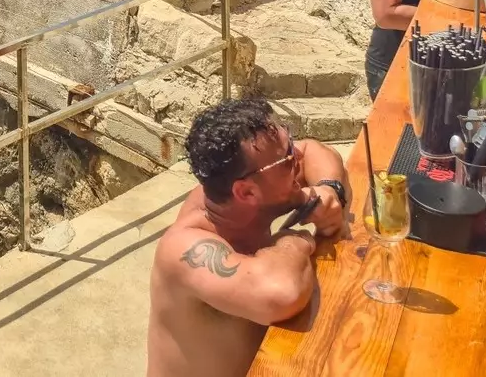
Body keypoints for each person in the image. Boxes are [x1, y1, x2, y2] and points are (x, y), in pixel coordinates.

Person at [146, 98, 349, 377]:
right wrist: (295, 238)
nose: (297, 158)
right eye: (288, 158)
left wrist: (328, 189)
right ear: (247, 193)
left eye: (290, 143)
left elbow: (315, 150)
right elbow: (282, 294)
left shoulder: (246, 189)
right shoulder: (185, 248)